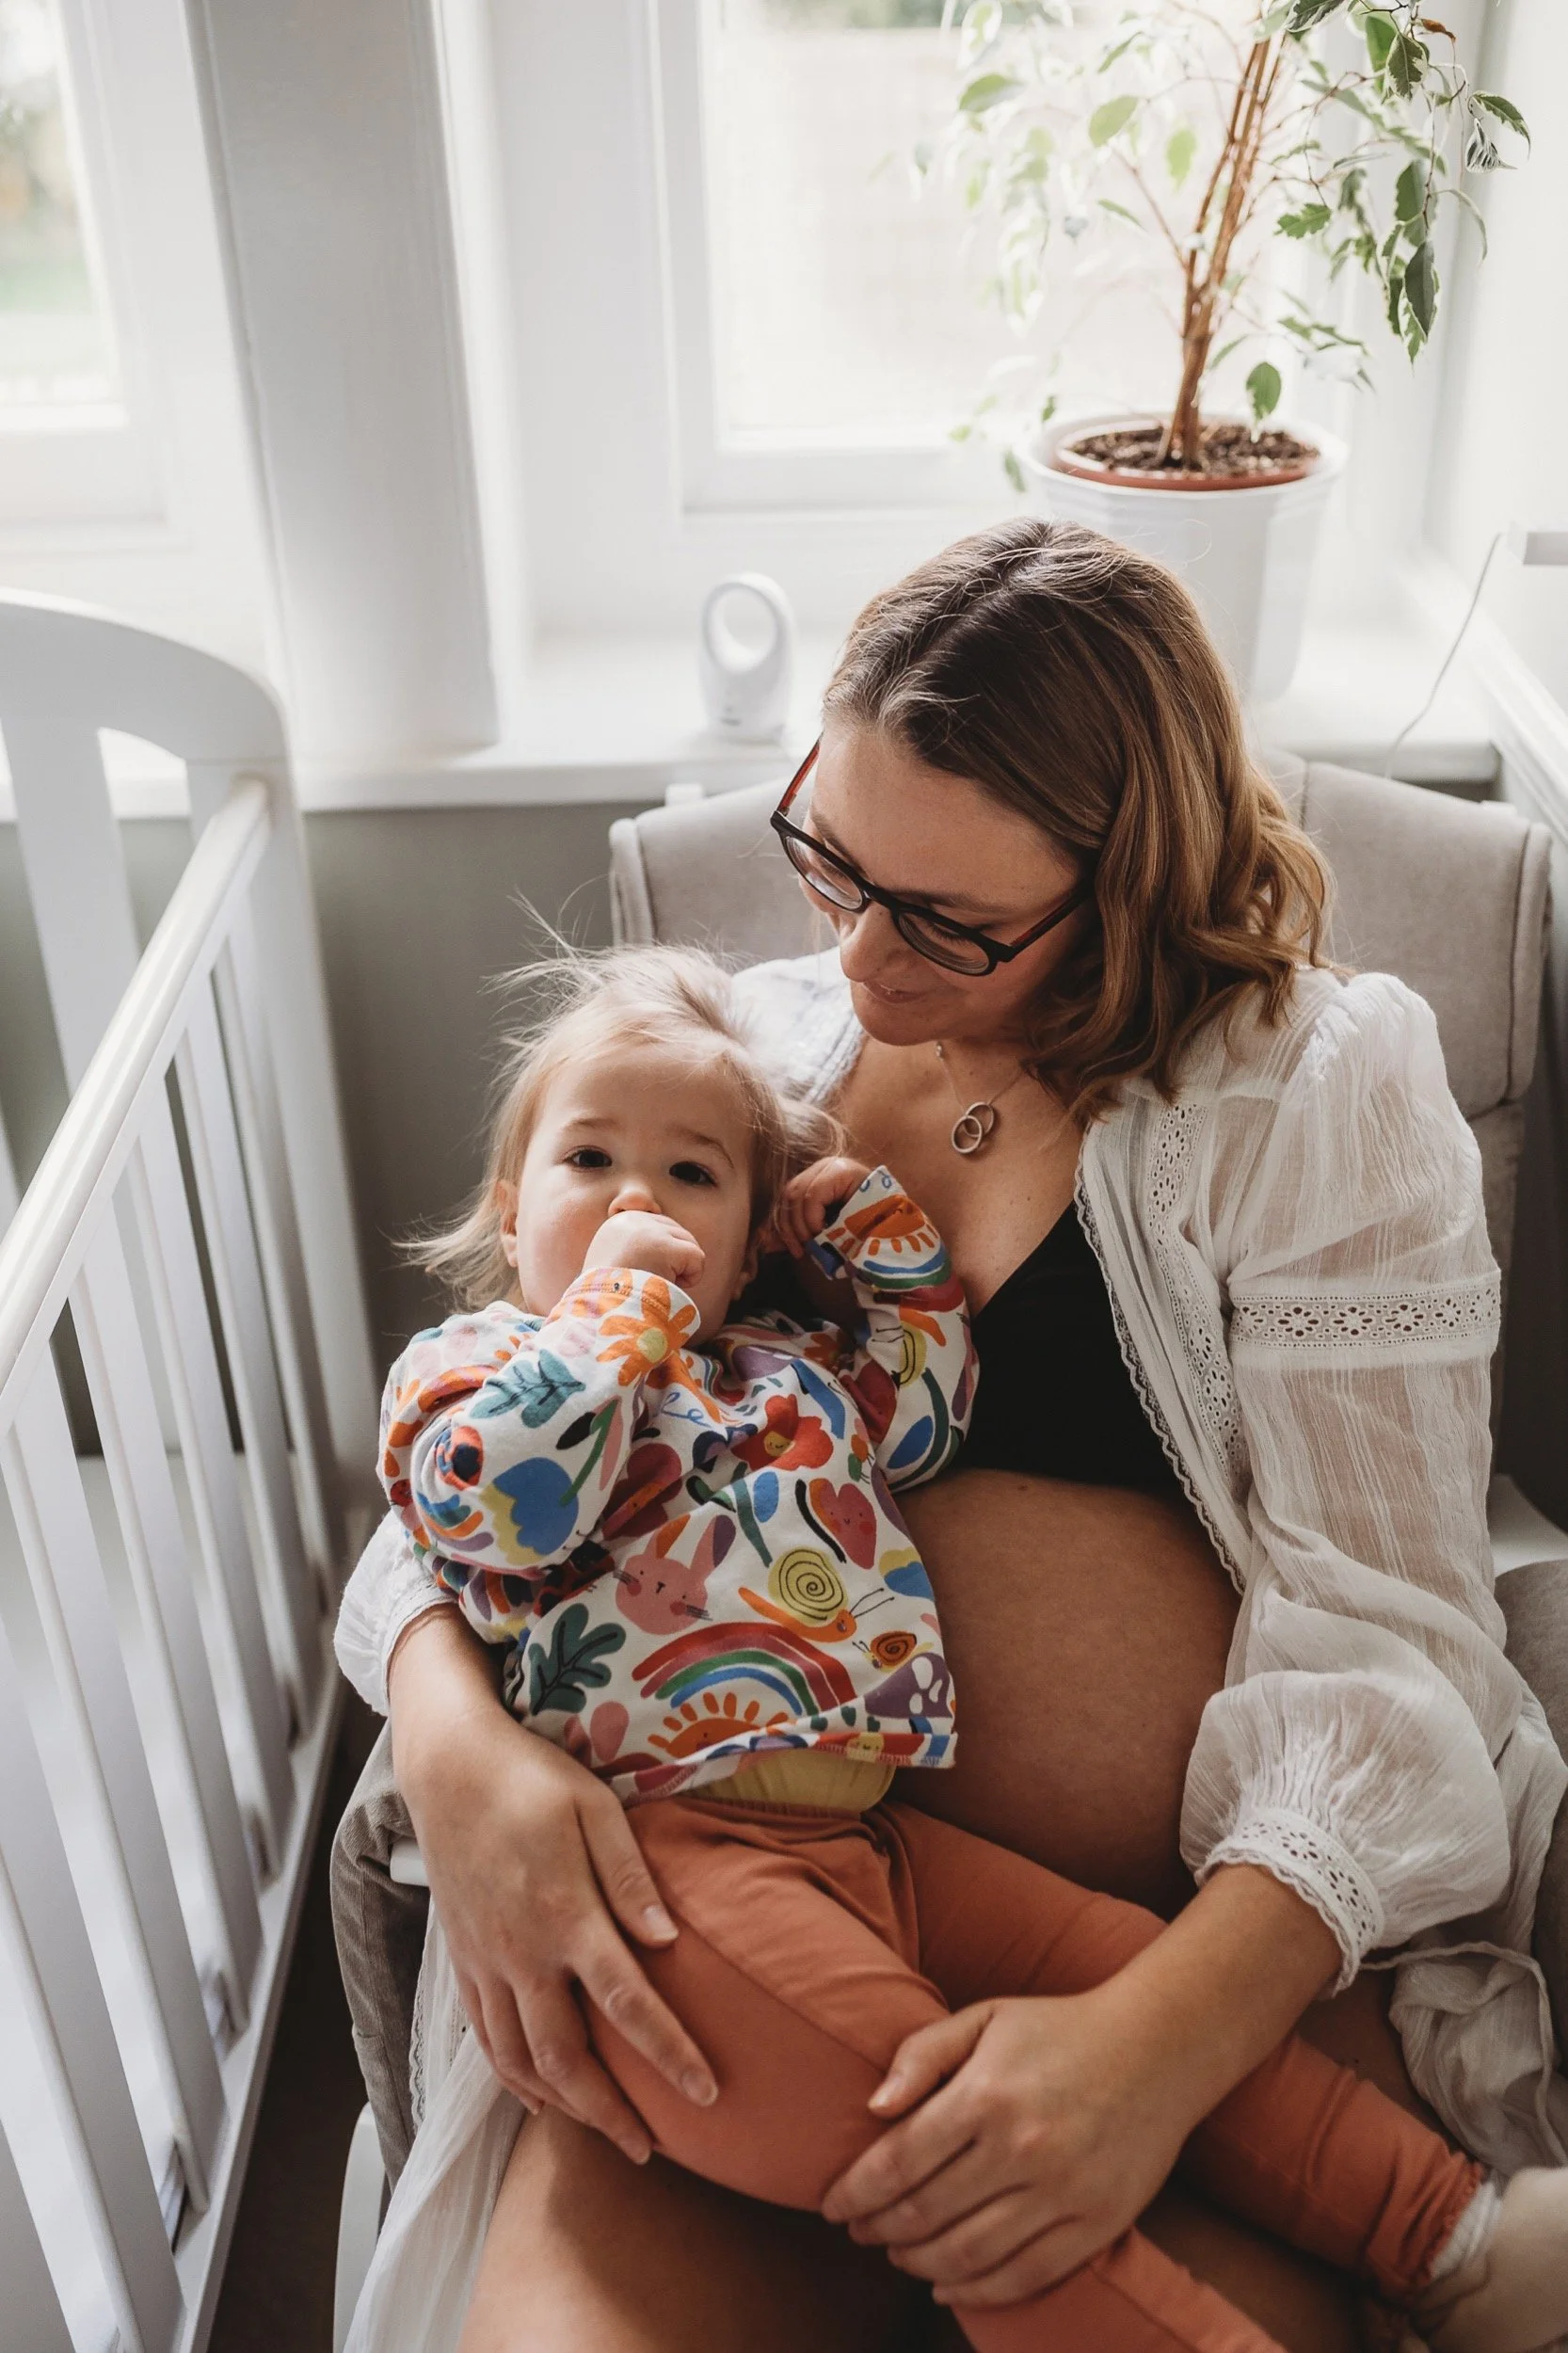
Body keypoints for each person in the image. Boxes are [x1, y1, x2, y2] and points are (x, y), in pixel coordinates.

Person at [333, 520, 1568, 2351]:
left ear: (1131, 883)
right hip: (714, 1885)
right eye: (826, 855)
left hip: (1175, 1940)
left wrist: (1140, 2053)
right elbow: (467, 1444)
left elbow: (1392, 1624)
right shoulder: (736, 1058)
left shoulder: (1311, 1093)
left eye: (945, 921)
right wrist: (455, 1748)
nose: (853, 954)